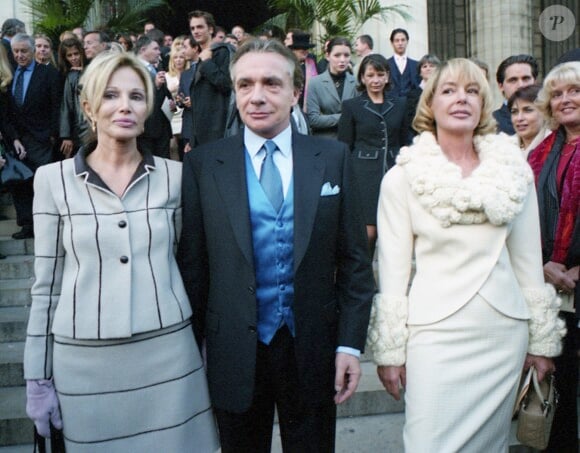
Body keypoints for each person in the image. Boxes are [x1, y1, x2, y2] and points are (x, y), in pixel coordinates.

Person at [177, 38, 374, 452]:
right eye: (245, 85)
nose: (257, 96)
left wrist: (349, 344)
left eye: (271, 83)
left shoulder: (332, 157)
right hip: (233, 349)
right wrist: (193, 354)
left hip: (314, 348)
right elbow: (194, 267)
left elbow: (355, 261)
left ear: (295, 91)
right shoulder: (203, 165)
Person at [23, 50, 219, 452]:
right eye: (111, 95)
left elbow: (193, 270)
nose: (125, 107)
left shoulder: (178, 178)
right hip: (84, 365)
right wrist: (37, 378)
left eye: (136, 96)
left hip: (169, 357)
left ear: (149, 107)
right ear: (88, 106)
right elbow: (46, 287)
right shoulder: (51, 181)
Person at [367, 58, 565, 451]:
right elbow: (392, 271)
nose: (462, 99)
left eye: (472, 91)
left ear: (485, 104)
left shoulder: (514, 171)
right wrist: (390, 351)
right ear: (430, 104)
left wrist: (541, 342)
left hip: (503, 332)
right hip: (434, 333)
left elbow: (528, 263)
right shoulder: (403, 177)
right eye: (449, 90)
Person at [528, 61, 579, 453]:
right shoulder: (542, 151)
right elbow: (524, 217)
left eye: (575, 90)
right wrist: (543, 264)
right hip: (551, 288)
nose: (566, 100)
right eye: (558, 94)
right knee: (560, 387)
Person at [338, 54, 408, 254]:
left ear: (387, 77)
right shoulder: (352, 106)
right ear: (362, 78)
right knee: (368, 233)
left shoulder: (400, 104)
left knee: (394, 232)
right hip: (363, 175)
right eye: (370, 75)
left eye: (380, 74)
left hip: (394, 171)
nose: (375, 80)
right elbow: (345, 145)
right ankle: (362, 280)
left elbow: (405, 140)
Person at [6, 33, 61, 240]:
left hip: (42, 139)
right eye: (16, 51)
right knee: (19, 183)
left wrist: (53, 135)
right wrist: (13, 137)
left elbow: (56, 107)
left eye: (24, 51)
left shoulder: (48, 74)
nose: (20, 55)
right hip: (16, 139)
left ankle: (48, 225)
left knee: (43, 183)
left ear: (33, 50)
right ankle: (26, 225)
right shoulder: (8, 76)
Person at [182, 10, 232, 150]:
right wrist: (192, 139)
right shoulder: (201, 57)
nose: (195, 31)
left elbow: (226, 84)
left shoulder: (222, 52)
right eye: (192, 28)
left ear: (210, 29)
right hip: (200, 133)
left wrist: (207, 63)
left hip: (217, 130)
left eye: (200, 27)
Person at [307, 37, 356, 138]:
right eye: (337, 55)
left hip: (352, 142)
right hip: (325, 142)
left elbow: (361, 115)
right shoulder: (315, 83)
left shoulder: (356, 82)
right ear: (327, 56)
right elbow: (313, 119)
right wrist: (346, 117)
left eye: (346, 55)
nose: (342, 60)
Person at [493, 54, 538, 135]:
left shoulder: (551, 119)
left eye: (526, 78)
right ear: (501, 86)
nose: (521, 85)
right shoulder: (491, 123)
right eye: (513, 80)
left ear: (535, 82)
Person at [58, 37, 86, 158]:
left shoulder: (93, 68)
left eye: (76, 54)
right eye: (69, 55)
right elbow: (66, 105)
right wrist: (66, 135)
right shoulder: (71, 76)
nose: (74, 58)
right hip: (78, 128)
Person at [406, 53, 441, 139]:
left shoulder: (445, 91)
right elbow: (410, 119)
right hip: (420, 135)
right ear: (420, 72)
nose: (428, 69)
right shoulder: (413, 94)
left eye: (432, 66)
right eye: (424, 66)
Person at [507, 84, 549, 157]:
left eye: (528, 110)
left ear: (545, 112)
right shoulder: (504, 148)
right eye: (514, 112)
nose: (519, 118)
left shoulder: (556, 147)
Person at [165, 38, 189, 160]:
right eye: (175, 57)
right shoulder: (167, 76)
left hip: (186, 113)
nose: (178, 60)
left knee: (186, 146)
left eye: (181, 57)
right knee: (173, 147)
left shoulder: (190, 74)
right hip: (172, 115)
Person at [286, 30, 318, 111]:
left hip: (308, 106)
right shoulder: (286, 63)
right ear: (293, 50)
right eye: (302, 50)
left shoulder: (311, 62)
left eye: (306, 49)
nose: (305, 52)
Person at [386, 28, 420, 98]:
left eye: (403, 40)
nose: (400, 43)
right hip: (391, 104)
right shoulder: (385, 64)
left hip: (411, 105)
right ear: (392, 43)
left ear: (407, 42)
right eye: (397, 40)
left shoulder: (416, 65)